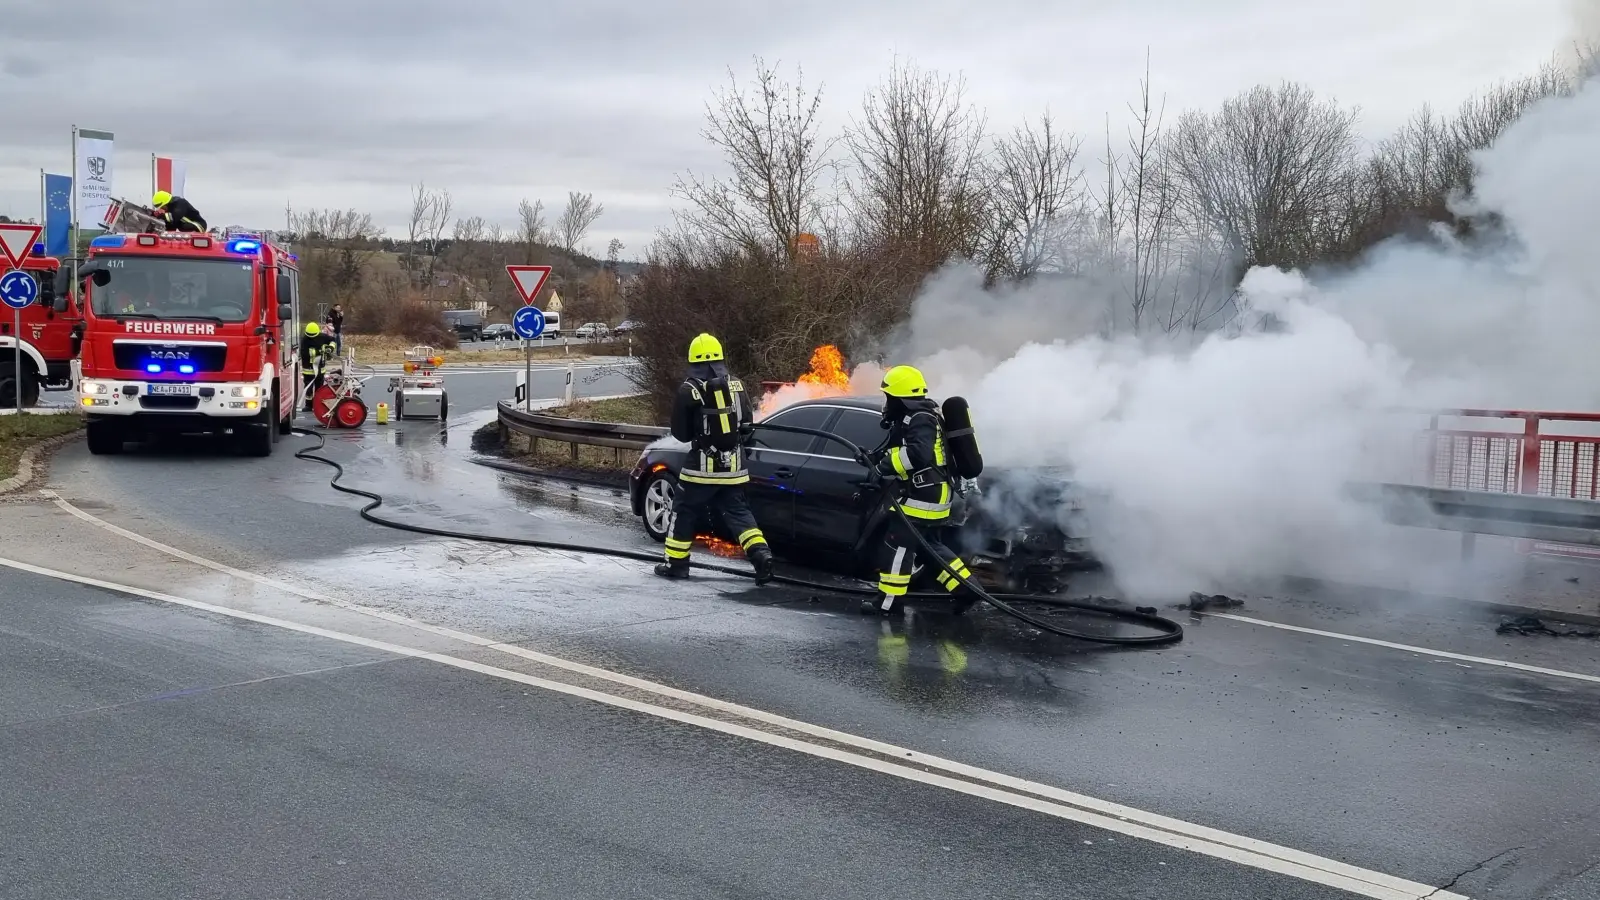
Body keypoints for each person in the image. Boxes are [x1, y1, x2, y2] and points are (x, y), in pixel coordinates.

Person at [657, 333, 775, 584]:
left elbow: (681, 433)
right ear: (721, 357)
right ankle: (761, 556)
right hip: (734, 468)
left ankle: (676, 564)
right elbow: (746, 425)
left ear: (693, 360)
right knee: (740, 513)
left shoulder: (689, 389)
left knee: (684, 511)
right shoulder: (737, 385)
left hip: (700, 469)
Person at [864, 364, 976, 616]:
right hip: (934, 495)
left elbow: (918, 454)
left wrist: (885, 466)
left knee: (898, 544)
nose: (887, 401)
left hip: (923, 498)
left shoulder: (919, 419)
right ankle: (966, 590)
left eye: (889, 396)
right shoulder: (922, 416)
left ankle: (888, 603)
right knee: (930, 548)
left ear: (899, 396)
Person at [299, 322, 336, 411]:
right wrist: (320, 351)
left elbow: (333, 340)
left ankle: (317, 404)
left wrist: (330, 348)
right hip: (308, 369)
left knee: (319, 388)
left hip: (320, 369)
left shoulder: (322, 337)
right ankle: (308, 405)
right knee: (308, 387)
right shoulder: (305, 340)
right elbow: (305, 354)